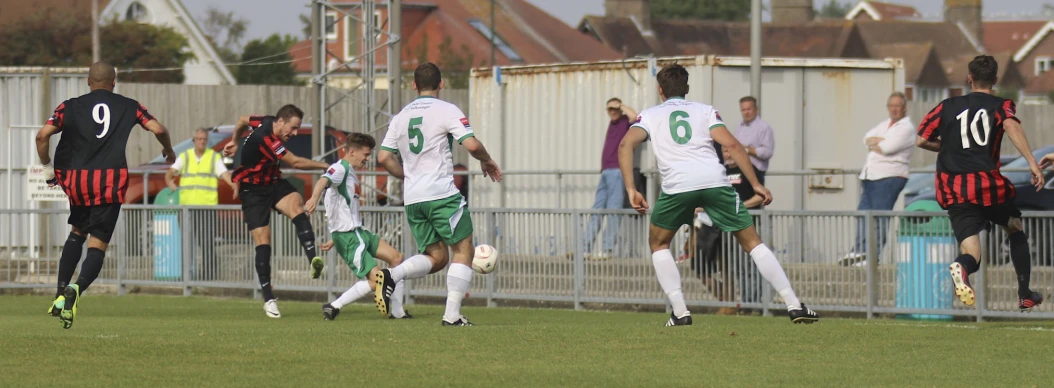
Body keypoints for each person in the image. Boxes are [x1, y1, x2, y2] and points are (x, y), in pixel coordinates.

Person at [618, 64, 819, 326]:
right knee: (753, 243)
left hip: (678, 186)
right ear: (687, 89)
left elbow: (626, 144)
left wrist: (632, 189)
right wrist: (755, 183)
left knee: (658, 244)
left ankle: (680, 312)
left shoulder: (650, 115)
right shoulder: (705, 111)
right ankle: (794, 304)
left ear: (660, 90)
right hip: (714, 182)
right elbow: (732, 145)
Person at [38, 62, 176, 329]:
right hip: (109, 182)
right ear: (114, 82)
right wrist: (168, 151)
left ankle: (59, 293)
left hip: (76, 182)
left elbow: (42, 136)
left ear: (89, 82)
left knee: (77, 232)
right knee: (98, 244)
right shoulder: (130, 105)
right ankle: (76, 289)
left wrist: (47, 170)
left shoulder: (69, 106)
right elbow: (158, 129)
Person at [375, 62, 502, 326]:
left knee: (438, 257)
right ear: (441, 84)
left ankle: (392, 275)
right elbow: (471, 144)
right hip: (441, 194)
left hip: (413, 199)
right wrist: (487, 160)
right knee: (464, 248)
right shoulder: (447, 110)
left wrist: (404, 175)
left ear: (413, 85)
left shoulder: (400, 116)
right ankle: (452, 316)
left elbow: (384, 156)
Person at [916, 55, 1044, 311]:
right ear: (995, 80)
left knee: (971, 248)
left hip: (953, 188)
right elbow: (1010, 124)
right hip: (988, 188)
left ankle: (962, 267)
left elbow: (921, 139)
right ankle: (1024, 293)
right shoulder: (1001, 105)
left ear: (969, 78)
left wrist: (948, 147)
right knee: (1015, 227)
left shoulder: (946, 106)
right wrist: (1031, 161)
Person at [221, 104, 330, 318]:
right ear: (281, 122)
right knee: (263, 241)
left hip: (272, 181)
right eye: (294, 128)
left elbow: (242, 118)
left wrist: (234, 140)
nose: (295, 133)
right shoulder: (266, 138)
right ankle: (269, 299)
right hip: (252, 191)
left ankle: (313, 260)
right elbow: (295, 162)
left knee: (296, 205)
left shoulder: (266, 120)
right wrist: (325, 166)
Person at [305, 133, 412, 320]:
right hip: (349, 236)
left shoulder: (351, 172)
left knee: (396, 258)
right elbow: (323, 180)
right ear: (351, 151)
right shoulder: (339, 168)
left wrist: (333, 237)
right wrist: (314, 198)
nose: (367, 159)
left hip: (357, 231)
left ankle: (398, 312)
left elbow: (341, 207)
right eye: (365, 154)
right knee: (377, 279)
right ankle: (334, 306)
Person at [841, 92, 916, 266]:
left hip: (889, 177)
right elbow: (866, 139)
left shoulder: (906, 128)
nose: (895, 109)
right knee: (863, 214)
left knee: (879, 218)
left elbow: (888, 148)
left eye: (898, 105)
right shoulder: (884, 125)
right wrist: (877, 142)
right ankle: (859, 252)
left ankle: (872, 256)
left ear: (904, 107)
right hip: (870, 176)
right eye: (892, 105)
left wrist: (879, 143)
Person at [164, 128, 237, 280]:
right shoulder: (186, 156)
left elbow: (224, 174)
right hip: (187, 208)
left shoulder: (213, 157)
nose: (202, 142)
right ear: (194, 140)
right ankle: (187, 277)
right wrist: (171, 184)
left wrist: (234, 185)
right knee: (187, 244)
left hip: (207, 208)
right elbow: (170, 173)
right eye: (199, 139)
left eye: (204, 139)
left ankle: (208, 277)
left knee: (207, 244)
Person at [583, 98, 637, 259]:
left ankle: (607, 250)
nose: (612, 112)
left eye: (615, 109)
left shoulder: (625, 123)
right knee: (597, 210)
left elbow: (635, 116)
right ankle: (584, 249)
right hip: (606, 172)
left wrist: (620, 106)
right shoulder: (613, 124)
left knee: (613, 210)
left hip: (617, 172)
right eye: (609, 110)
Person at [734, 96, 774, 185]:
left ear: (756, 110)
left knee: (753, 198)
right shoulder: (740, 127)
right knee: (737, 197)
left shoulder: (764, 128)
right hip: (737, 171)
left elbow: (767, 152)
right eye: (743, 110)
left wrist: (747, 150)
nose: (746, 113)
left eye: (749, 109)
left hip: (754, 172)